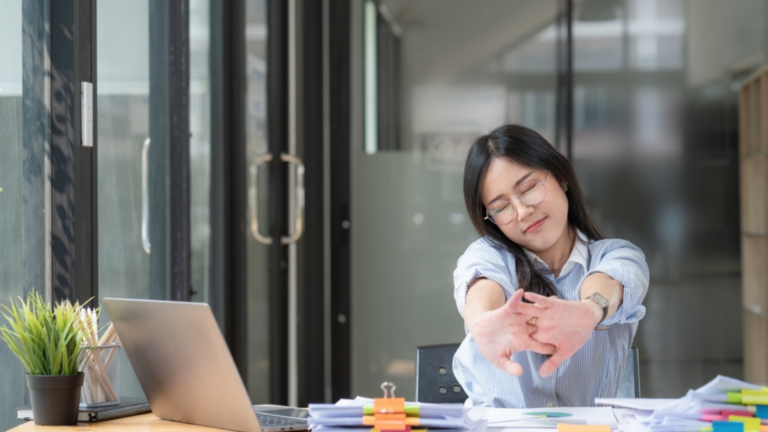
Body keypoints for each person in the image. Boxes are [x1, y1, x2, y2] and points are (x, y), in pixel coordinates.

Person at [453, 124, 649, 408]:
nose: (522, 212)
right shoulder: (488, 255)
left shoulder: (617, 255)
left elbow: (612, 280)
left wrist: (590, 309)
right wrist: (483, 320)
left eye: (529, 188)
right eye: (501, 207)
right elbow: (482, 286)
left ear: (561, 177)